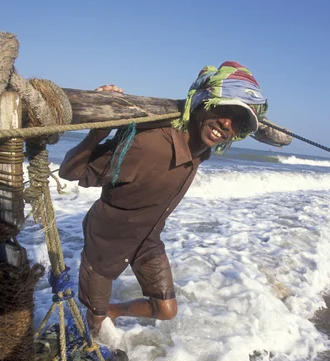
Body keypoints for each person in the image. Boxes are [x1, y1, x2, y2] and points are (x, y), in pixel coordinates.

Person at [59, 61, 268, 333]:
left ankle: (113, 311)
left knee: (165, 310)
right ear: (202, 103)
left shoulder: (203, 146)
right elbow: (70, 171)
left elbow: (217, 122)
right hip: (106, 241)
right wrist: (97, 132)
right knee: (94, 323)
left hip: (147, 237)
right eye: (223, 109)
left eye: (236, 121)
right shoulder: (146, 144)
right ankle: (92, 339)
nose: (226, 124)